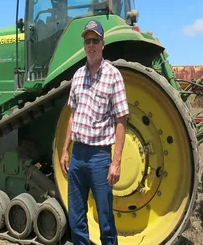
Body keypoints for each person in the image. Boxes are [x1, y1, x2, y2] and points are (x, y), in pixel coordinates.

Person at [61, 19, 129, 245]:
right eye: (87, 40)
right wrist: (65, 150)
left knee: (106, 218)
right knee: (76, 217)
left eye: (95, 40)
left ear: (103, 44)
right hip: (78, 154)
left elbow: (122, 118)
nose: (91, 45)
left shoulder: (113, 75)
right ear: (84, 45)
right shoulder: (78, 76)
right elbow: (72, 115)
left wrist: (116, 161)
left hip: (100, 156)